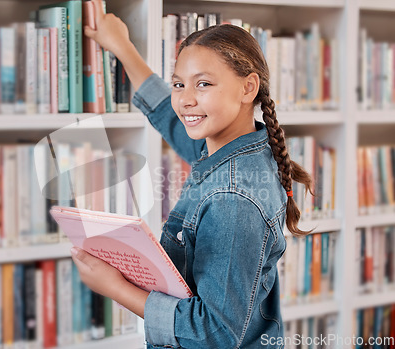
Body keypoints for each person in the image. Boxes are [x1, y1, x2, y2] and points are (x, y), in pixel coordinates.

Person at [70, 0, 313, 347]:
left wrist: (116, 288)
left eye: (203, 85)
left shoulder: (233, 197)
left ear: (248, 88)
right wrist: (122, 46)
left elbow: (214, 332)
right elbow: (171, 118)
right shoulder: (234, 146)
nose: (185, 100)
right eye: (179, 84)